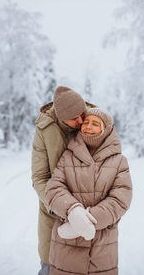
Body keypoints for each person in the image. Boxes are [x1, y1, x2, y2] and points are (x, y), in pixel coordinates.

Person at [45, 107, 133, 275]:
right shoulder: (67, 156)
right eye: (86, 122)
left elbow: (121, 198)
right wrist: (73, 211)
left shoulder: (119, 161)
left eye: (95, 123)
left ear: (106, 130)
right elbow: (54, 187)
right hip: (66, 248)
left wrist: (88, 221)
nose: (88, 127)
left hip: (102, 247)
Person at [32, 86, 95, 275]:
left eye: (81, 114)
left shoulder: (94, 122)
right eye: (74, 118)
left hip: (89, 213)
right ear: (60, 116)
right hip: (54, 215)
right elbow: (39, 178)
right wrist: (64, 206)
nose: (81, 121)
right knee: (51, 267)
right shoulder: (45, 130)